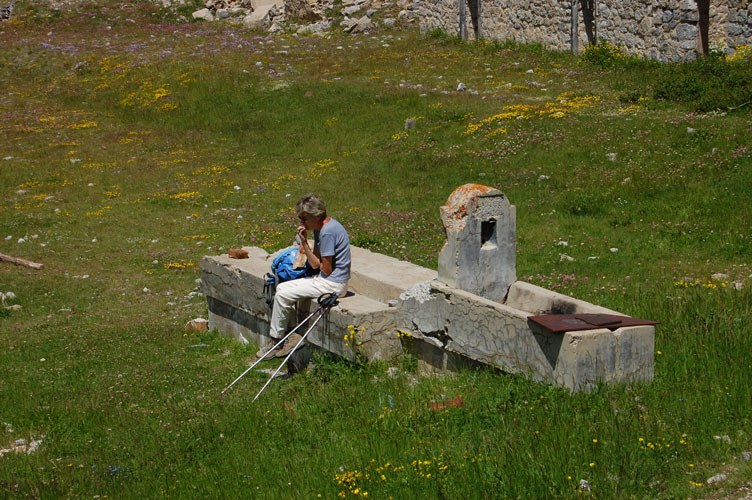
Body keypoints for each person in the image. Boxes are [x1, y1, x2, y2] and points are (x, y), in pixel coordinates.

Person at [259, 193, 351, 359]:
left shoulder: (327, 233)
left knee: (283, 294)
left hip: (333, 283)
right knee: (281, 287)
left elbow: (324, 268)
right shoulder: (320, 228)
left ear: (317, 215)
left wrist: (304, 244)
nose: (301, 223)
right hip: (327, 278)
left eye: (304, 218)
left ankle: (276, 341)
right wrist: (306, 245)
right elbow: (316, 260)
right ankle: (291, 335)